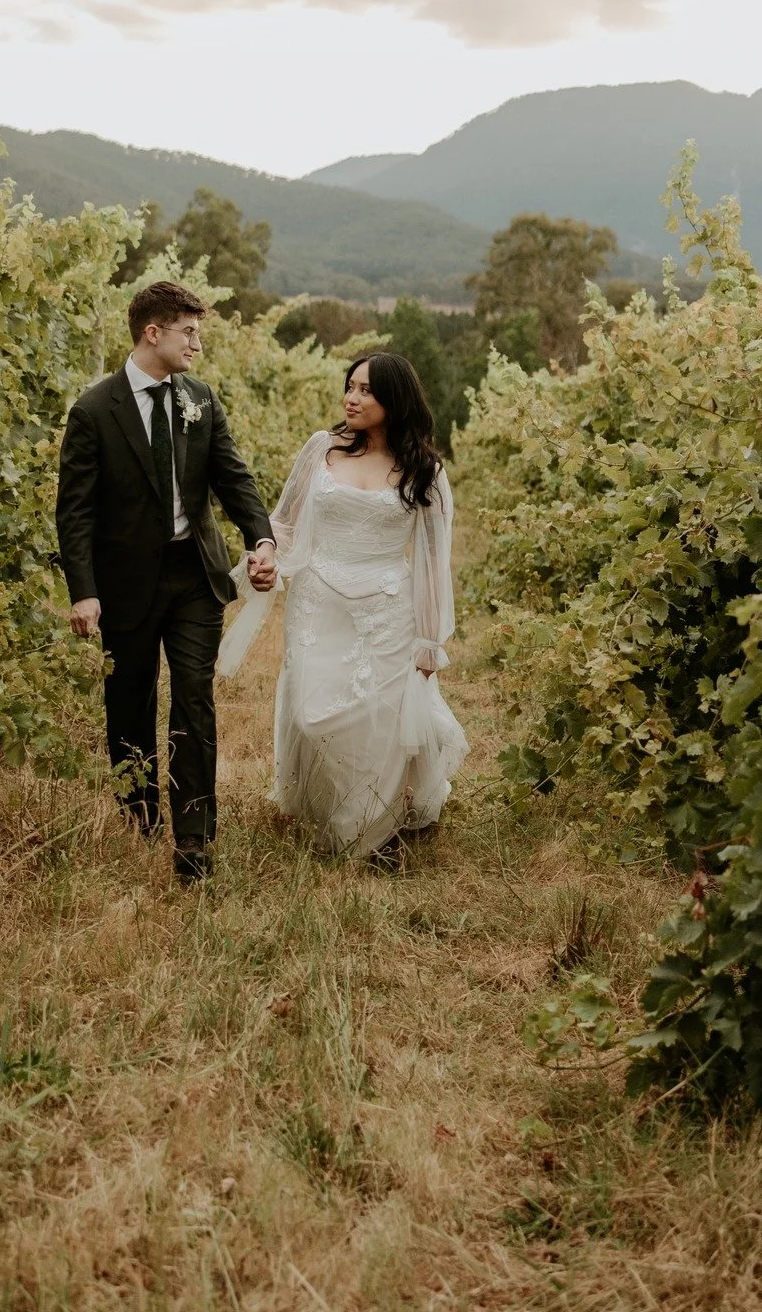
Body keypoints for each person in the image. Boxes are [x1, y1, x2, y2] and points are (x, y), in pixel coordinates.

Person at [55, 279, 277, 881]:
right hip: (124, 584)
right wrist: (84, 589)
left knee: (193, 701)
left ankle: (195, 840)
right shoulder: (94, 410)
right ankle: (139, 817)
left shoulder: (200, 399)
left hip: (193, 578)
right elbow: (75, 511)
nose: (197, 344)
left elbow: (234, 479)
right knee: (129, 703)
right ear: (153, 333)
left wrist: (261, 540)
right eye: (189, 332)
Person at [258, 350, 468, 858]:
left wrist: (428, 638)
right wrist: (265, 554)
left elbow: (432, 562)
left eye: (366, 390)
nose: (352, 398)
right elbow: (283, 521)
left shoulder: (424, 472)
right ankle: (324, 806)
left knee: (376, 720)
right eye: (350, 387)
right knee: (312, 715)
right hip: (317, 601)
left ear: (394, 400)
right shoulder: (322, 450)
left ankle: (371, 824)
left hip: (385, 608)